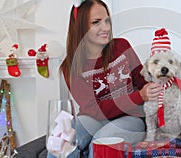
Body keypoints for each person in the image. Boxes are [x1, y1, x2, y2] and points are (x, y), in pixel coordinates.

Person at [49, 0, 162, 157]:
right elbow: (95, 110)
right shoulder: (71, 67)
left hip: (130, 118)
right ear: (80, 27)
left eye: (107, 20)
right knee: (60, 141)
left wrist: (156, 80)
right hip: (93, 117)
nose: (106, 28)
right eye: (96, 22)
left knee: (101, 144)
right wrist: (139, 95)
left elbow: (143, 81)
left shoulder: (122, 47)